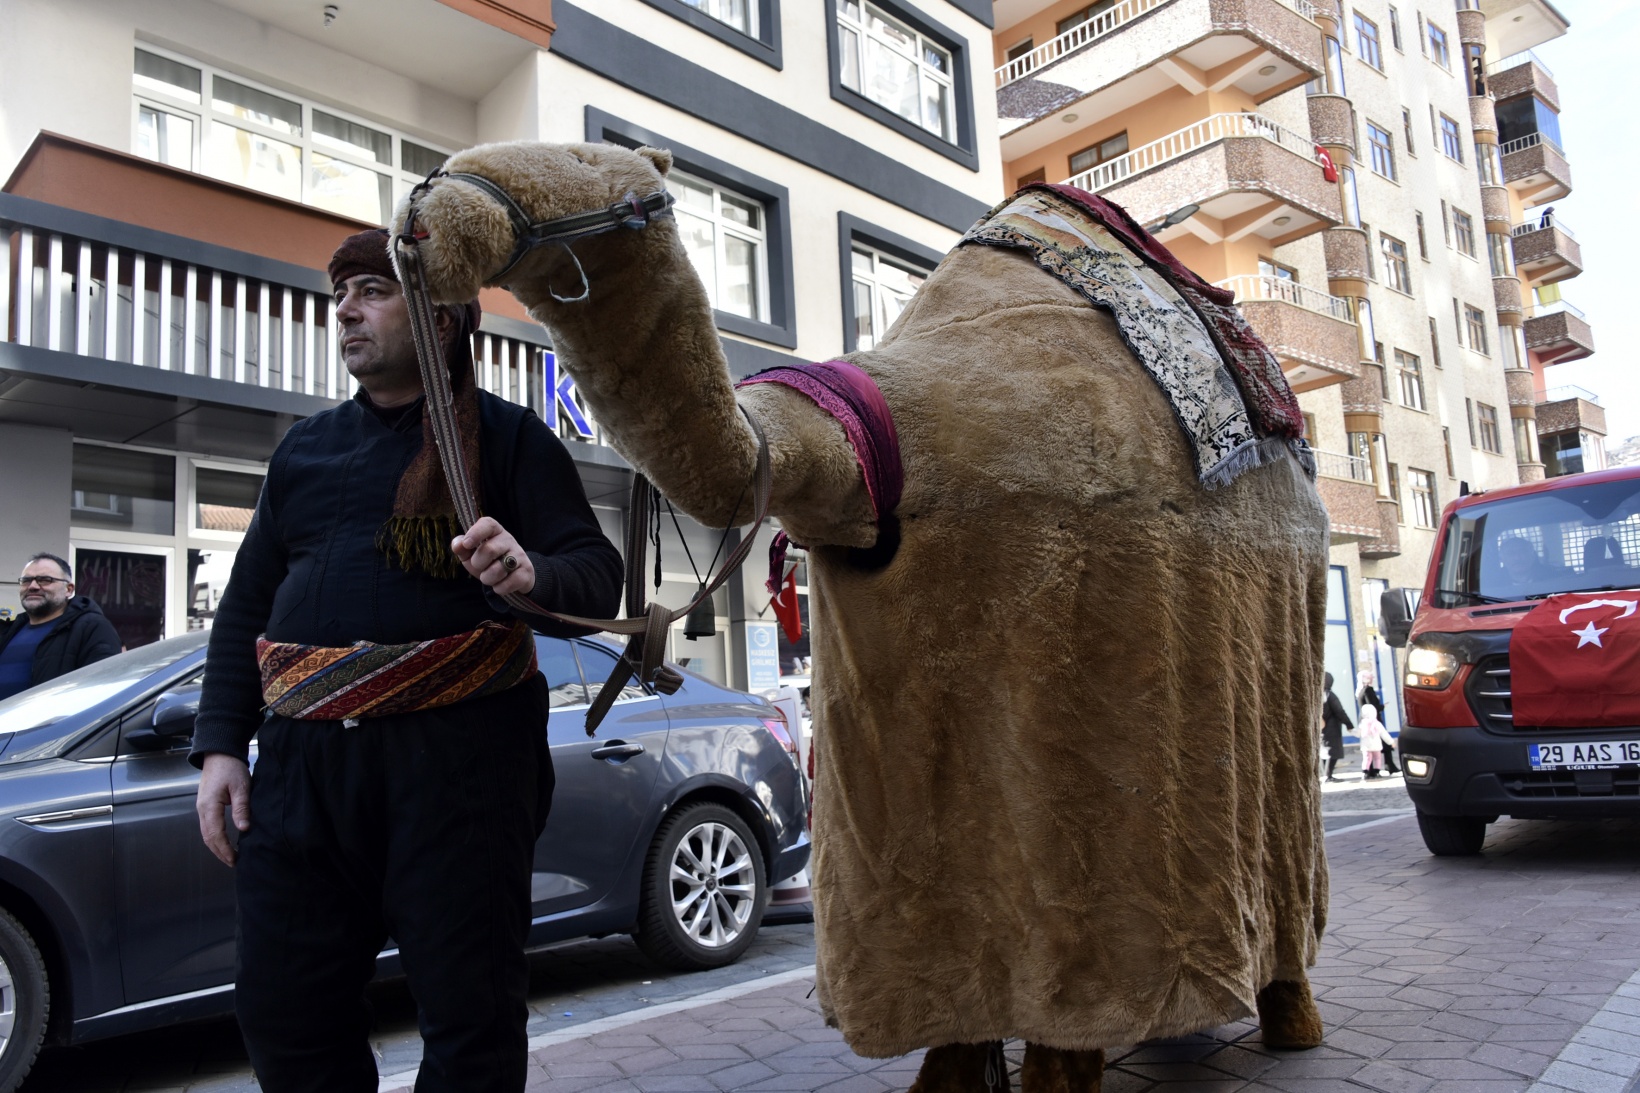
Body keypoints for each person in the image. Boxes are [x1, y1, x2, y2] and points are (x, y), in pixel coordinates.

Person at [191, 228, 623, 1093]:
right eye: (339, 293)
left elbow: (597, 575)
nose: (346, 309)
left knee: (471, 1023)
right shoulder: (302, 452)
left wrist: (532, 573)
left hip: (461, 768)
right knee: (283, 1011)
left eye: (373, 290)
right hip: (305, 772)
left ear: (444, 315)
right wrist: (220, 747)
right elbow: (246, 609)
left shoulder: (509, 438)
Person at [0, 553, 121, 700]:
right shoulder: (10, 631)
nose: (32, 586)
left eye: (45, 580)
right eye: (26, 581)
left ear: (68, 589)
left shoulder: (92, 628)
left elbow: (101, 690)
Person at [1356, 666, 1397, 774]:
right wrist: (1382, 706)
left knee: (1370, 749)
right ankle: (1386, 766)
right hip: (1373, 722)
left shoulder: (1359, 692)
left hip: (1365, 722)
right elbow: (1372, 706)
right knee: (1382, 744)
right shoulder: (1368, 690)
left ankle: (1372, 769)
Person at [1321, 671, 1352, 783]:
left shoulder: (1320, 695)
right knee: (1332, 752)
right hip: (1332, 728)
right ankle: (1328, 775)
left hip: (1323, 728)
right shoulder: (1330, 695)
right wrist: (1349, 724)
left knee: (1326, 751)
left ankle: (1327, 774)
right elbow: (1339, 711)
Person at [1358, 702, 1391, 779]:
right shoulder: (1377, 723)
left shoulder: (1363, 723)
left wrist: (1351, 731)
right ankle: (1377, 772)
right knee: (1377, 758)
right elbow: (1384, 733)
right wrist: (1390, 742)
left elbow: (1357, 732)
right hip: (1376, 745)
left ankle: (1365, 772)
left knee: (1366, 759)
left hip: (1366, 746)